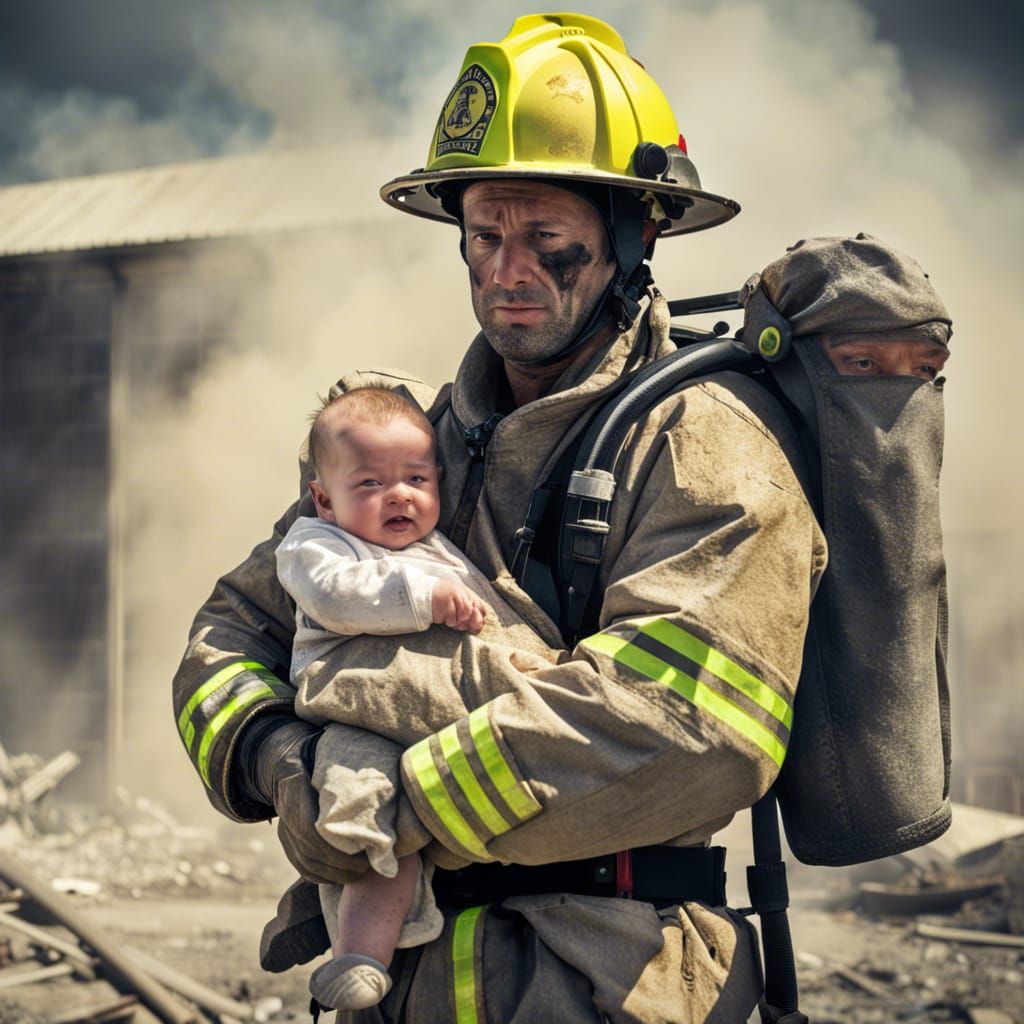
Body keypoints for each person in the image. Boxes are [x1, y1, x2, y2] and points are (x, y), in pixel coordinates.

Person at [170, 15, 940, 1023]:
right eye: (484, 236)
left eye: (545, 241)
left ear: (635, 234)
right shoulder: (410, 443)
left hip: (608, 983)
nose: (505, 271)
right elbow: (231, 631)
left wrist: (393, 801)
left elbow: (692, 728)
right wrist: (282, 760)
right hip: (402, 989)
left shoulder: (703, 444)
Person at [275, 386, 559, 1011]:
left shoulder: (440, 551)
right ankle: (358, 957)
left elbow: (496, 615)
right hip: (356, 718)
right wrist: (424, 599)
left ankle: (321, 917)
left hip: (432, 723)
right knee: (371, 823)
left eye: (416, 479)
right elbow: (333, 594)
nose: (398, 495)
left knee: (414, 825)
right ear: (324, 498)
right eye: (371, 483)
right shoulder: (315, 544)